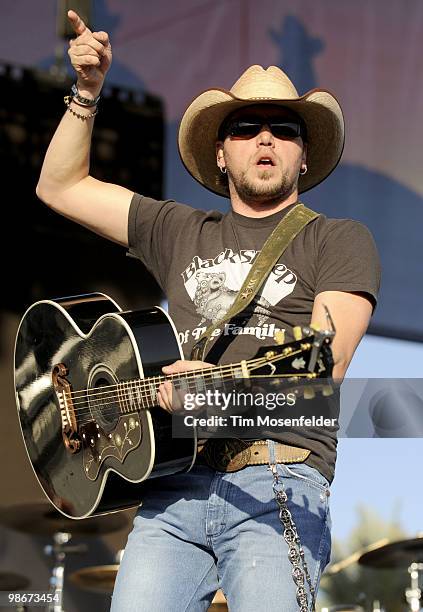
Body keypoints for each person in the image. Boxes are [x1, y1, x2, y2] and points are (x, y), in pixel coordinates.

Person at [36, 10, 380, 612]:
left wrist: (213, 396)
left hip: (276, 477)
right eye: (246, 126)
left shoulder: (338, 239)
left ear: (304, 157)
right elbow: (60, 187)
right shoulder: (177, 229)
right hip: (172, 488)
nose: (265, 137)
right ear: (221, 154)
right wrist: (87, 94)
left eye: (284, 128)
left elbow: (321, 377)